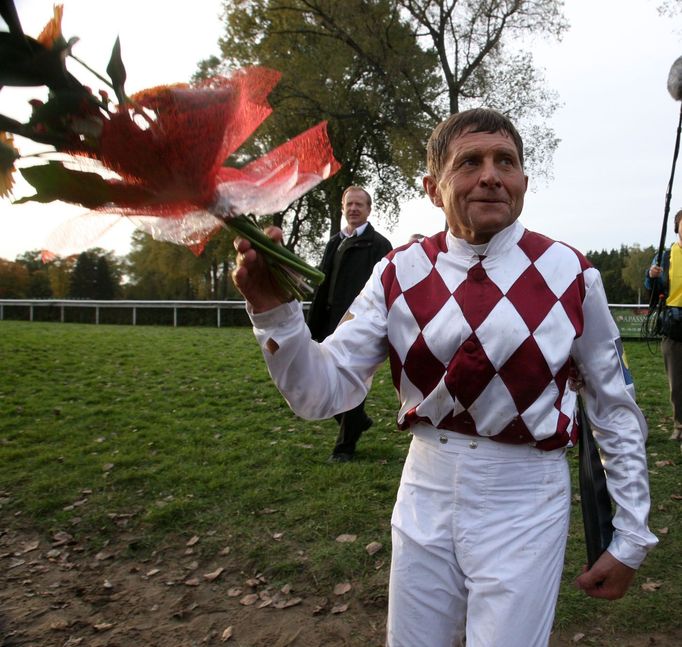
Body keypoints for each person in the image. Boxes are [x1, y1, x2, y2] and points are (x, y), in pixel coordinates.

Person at [232, 108, 657, 647]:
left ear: (524, 181)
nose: (491, 175)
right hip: (424, 492)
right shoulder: (397, 271)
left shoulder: (571, 273)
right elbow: (321, 392)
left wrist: (632, 534)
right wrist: (274, 314)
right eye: (470, 162)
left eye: (506, 161)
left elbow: (614, 409)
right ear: (433, 188)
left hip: (526, 499)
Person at [306, 186, 392, 462]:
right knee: (323, 379)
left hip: (359, 323)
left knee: (350, 378)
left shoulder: (379, 245)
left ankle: (344, 448)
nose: (354, 209)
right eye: (349, 204)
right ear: (343, 208)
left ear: (369, 209)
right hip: (329, 321)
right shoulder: (334, 242)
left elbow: (388, 286)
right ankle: (355, 420)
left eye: (359, 204)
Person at [646, 208, 682, 442]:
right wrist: (651, 275)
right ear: (677, 227)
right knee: (677, 382)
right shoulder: (664, 257)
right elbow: (651, 289)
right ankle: (680, 426)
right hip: (674, 325)